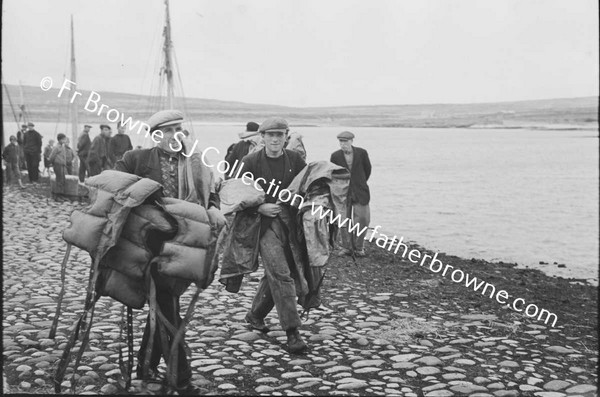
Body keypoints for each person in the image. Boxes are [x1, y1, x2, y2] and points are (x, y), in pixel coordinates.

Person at [115, 109, 224, 394]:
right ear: (155, 135)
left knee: (165, 302)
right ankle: (181, 377)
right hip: (148, 246)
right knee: (166, 307)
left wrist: (213, 206)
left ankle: (144, 367)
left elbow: (212, 192)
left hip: (185, 244)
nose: (174, 136)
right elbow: (114, 190)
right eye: (167, 131)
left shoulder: (196, 163)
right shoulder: (135, 159)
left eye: (178, 130)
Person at [237, 117, 308, 353]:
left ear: (286, 137)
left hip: (290, 226)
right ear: (262, 138)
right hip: (263, 226)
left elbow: (306, 189)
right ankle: (292, 332)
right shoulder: (250, 162)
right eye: (270, 135)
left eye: (280, 135)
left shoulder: (296, 160)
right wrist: (258, 207)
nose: (275, 139)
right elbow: (236, 194)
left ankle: (255, 315)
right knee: (280, 274)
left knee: (276, 274)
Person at [330, 131, 372, 257]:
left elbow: (367, 170)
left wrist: (360, 182)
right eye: (341, 142)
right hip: (342, 192)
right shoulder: (335, 156)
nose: (343, 144)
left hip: (360, 191)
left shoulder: (362, 153)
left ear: (352, 141)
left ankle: (359, 247)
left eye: (345, 141)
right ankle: (347, 247)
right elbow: (333, 173)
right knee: (343, 220)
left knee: (363, 219)